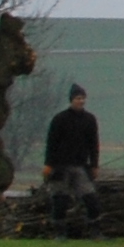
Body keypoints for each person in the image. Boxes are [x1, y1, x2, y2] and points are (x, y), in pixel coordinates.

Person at [41, 83, 100, 233]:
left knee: (91, 200)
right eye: (78, 98)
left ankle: (95, 232)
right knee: (60, 202)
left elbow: (93, 144)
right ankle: (60, 234)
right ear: (71, 100)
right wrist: (48, 164)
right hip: (60, 167)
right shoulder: (60, 119)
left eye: (83, 98)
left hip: (81, 166)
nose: (81, 101)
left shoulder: (90, 119)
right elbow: (51, 143)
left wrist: (94, 165)